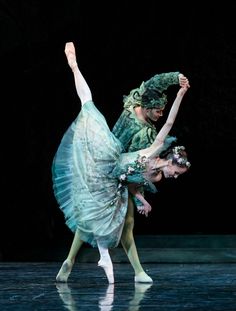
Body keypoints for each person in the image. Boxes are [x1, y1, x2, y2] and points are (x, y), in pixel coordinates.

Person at [52, 42, 191, 284]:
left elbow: (132, 178)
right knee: (88, 106)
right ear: (146, 107)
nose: (160, 114)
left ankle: (110, 263)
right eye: (175, 171)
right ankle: (74, 66)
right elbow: (168, 119)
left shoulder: (152, 159)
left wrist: (140, 199)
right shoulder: (150, 140)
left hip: (113, 179)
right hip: (107, 156)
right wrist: (178, 88)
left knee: (103, 218)